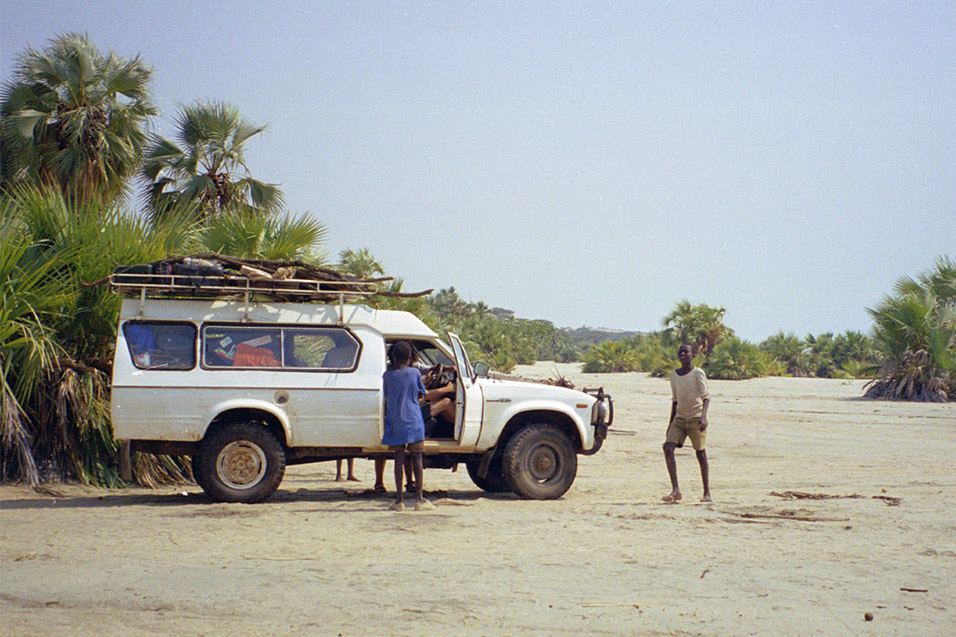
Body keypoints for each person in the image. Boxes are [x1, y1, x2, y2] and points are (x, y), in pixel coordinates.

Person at [381, 341, 438, 511]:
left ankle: (399, 500)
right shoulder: (414, 373)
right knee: (417, 459)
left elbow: (387, 395)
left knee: (398, 459)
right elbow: (422, 395)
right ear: (409, 356)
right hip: (413, 421)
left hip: (395, 421)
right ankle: (419, 500)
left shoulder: (387, 375)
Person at [662, 343, 712, 503]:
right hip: (680, 418)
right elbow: (675, 400)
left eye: (686, 352)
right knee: (668, 448)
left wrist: (703, 417)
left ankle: (706, 492)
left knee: (700, 453)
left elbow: (706, 397)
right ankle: (675, 490)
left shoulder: (698, 373)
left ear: (692, 355)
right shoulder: (674, 375)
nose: (683, 355)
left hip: (695, 417)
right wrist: (670, 423)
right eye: (680, 352)